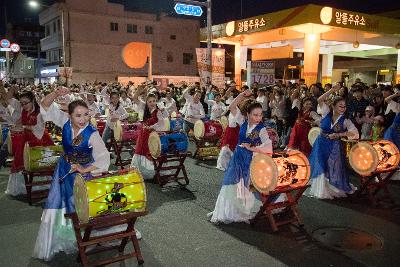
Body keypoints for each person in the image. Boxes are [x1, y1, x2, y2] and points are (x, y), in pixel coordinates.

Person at [33, 87, 111, 260]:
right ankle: (66, 236)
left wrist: (84, 169)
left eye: (85, 115)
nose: (82, 119)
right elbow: (45, 106)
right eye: (78, 115)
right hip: (64, 170)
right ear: (69, 116)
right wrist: (55, 93)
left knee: (80, 206)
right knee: (60, 203)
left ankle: (87, 238)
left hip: (82, 176)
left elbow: (104, 158)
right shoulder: (65, 123)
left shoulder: (92, 134)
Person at [208, 90, 273, 224]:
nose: (258, 117)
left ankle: (245, 209)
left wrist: (253, 148)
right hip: (238, 157)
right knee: (231, 182)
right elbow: (232, 106)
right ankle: (227, 210)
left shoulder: (261, 128)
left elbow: (268, 147)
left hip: (252, 158)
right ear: (248, 114)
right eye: (255, 114)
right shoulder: (242, 120)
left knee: (247, 185)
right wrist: (242, 94)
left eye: (260, 115)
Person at [307, 86, 359, 199]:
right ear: (333, 106)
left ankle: (332, 187)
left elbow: (355, 133)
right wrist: (331, 90)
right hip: (320, 143)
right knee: (320, 165)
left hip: (334, 146)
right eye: (340, 106)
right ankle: (321, 189)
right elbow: (319, 100)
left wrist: (340, 135)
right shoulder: (326, 112)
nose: (343, 108)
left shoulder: (346, 120)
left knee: (332, 166)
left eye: (344, 106)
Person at [6, 90, 54, 196]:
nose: (23, 105)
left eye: (26, 103)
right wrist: (12, 88)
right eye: (21, 103)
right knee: (21, 161)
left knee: (38, 163)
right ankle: (26, 187)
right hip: (26, 140)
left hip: (40, 140)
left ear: (33, 100)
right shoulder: (22, 107)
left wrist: (23, 127)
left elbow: (39, 131)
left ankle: (42, 186)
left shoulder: (39, 113)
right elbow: (8, 98)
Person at [131, 90, 169, 179]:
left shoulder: (158, 111)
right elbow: (135, 98)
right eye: (150, 101)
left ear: (156, 101)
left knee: (152, 153)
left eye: (154, 101)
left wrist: (152, 127)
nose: (152, 103)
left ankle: (153, 173)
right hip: (143, 136)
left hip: (153, 137)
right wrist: (140, 89)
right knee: (141, 151)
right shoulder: (145, 109)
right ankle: (143, 172)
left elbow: (162, 124)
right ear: (147, 103)